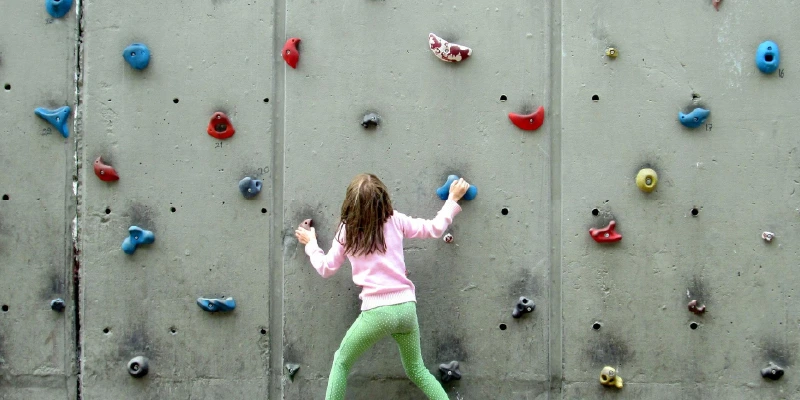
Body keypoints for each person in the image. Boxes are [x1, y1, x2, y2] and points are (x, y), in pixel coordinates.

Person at [295, 173, 470, 400]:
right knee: (417, 370)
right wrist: (452, 200)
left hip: (377, 313)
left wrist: (312, 245)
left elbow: (326, 268)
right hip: (406, 309)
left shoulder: (346, 232)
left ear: (349, 204)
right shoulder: (395, 220)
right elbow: (435, 228)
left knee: (341, 361)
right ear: (384, 199)